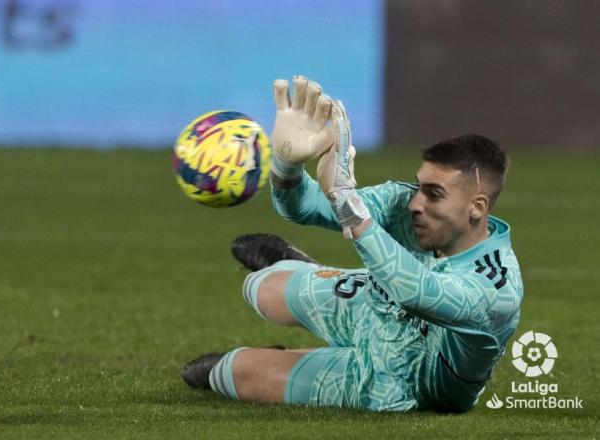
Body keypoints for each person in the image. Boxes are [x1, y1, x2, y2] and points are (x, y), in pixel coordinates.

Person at [181, 75, 523, 412]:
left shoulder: (497, 289)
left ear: (476, 207)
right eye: (420, 186)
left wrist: (346, 200)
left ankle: (293, 356)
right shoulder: (405, 204)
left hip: (398, 383)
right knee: (260, 288)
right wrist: (288, 166)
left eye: (434, 195)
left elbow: (417, 292)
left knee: (234, 371)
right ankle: (313, 271)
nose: (417, 203)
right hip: (376, 309)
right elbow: (307, 207)